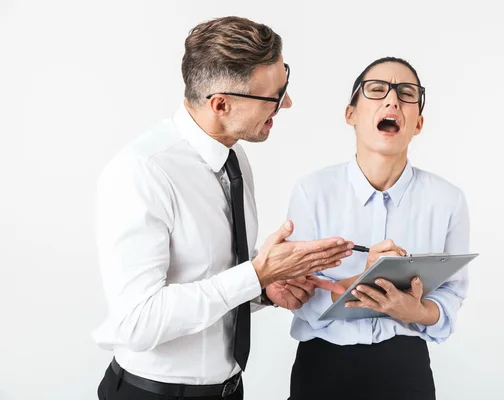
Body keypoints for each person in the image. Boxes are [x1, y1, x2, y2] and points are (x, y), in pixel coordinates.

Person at [92, 16, 353, 400]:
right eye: (275, 96)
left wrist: (265, 286)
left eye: (285, 86)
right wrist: (255, 273)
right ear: (221, 104)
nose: (288, 103)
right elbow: (138, 322)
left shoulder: (234, 159)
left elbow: (212, 277)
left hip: (228, 390)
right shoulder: (142, 172)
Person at [285, 57, 471, 400]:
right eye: (376, 90)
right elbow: (296, 293)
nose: (392, 100)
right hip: (324, 365)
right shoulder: (312, 191)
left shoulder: (448, 200)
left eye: (407, 93)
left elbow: (452, 293)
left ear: (418, 123)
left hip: (406, 367)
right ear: (350, 114)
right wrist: (362, 283)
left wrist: (417, 312)